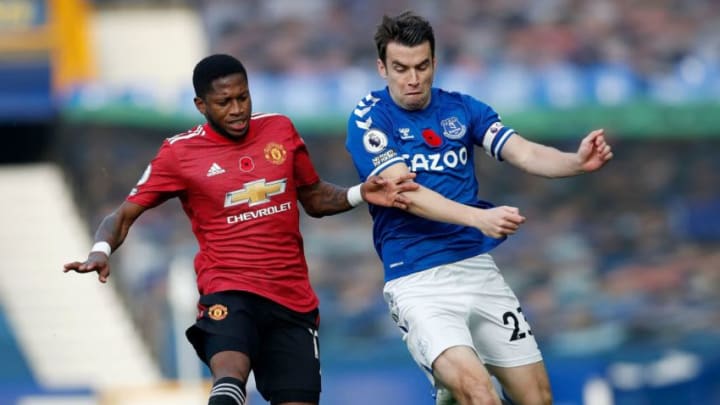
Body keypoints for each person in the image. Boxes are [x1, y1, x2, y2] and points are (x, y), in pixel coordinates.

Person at [63, 54, 418, 405]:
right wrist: (100, 251)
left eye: (242, 97)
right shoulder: (179, 153)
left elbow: (313, 197)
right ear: (201, 105)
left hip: (291, 298)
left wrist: (359, 193)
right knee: (229, 385)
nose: (236, 109)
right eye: (223, 102)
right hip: (229, 289)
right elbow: (123, 215)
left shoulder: (280, 129)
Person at [345, 12, 613, 405]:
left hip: (477, 270)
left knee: (537, 398)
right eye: (401, 69)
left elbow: (523, 151)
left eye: (422, 66)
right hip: (418, 280)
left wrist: (575, 162)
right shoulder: (370, 117)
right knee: (479, 393)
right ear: (382, 67)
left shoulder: (463, 109)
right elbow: (406, 192)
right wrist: (478, 217)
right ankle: (455, 390)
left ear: (435, 63)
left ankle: (449, 394)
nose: (413, 79)